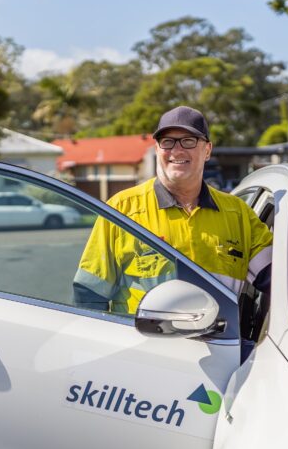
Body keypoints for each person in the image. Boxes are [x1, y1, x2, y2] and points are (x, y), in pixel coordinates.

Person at [73, 105, 273, 315]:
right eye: (167, 142)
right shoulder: (121, 210)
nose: (177, 151)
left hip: (222, 345)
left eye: (189, 141)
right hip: (144, 346)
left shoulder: (239, 214)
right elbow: (89, 294)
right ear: (157, 149)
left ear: (207, 150)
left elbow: (279, 279)